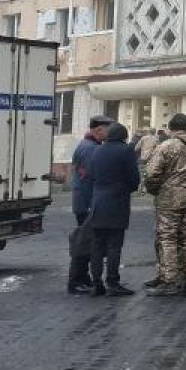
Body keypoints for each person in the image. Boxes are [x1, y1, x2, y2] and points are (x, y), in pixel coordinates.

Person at [141, 114, 186, 297]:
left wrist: (156, 190)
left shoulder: (165, 146)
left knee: (167, 238)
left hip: (168, 200)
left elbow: (151, 174)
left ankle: (169, 280)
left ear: (171, 129)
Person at [83, 123, 139, 296]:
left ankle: (96, 283)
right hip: (117, 203)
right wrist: (125, 188)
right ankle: (113, 283)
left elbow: (89, 175)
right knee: (114, 245)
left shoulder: (97, 150)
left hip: (98, 203)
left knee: (97, 245)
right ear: (123, 136)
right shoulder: (126, 150)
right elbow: (134, 179)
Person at [66, 115, 110, 294]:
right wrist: (94, 204)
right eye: (107, 129)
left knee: (86, 241)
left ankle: (82, 278)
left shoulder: (87, 145)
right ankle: (76, 280)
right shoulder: (90, 149)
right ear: (98, 130)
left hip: (83, 201)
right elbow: (89, 177)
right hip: (87, 203)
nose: (109, 133)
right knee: (85, 242)